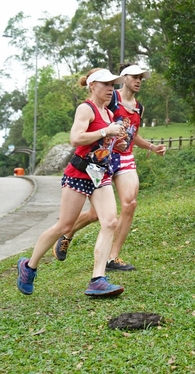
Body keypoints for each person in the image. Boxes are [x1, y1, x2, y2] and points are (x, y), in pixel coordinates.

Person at [17, 68, 126, 297]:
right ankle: (29, 266)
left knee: (110, 222)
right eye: (105, 84)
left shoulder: (108, 113)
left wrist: (118, 144)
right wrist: (106, 130)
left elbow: (101, 144)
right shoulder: (86, 109)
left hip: (100, 174)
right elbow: (76, 138)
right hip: (79, 174)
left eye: (112, 85)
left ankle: (98, 278)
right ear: (92, 85)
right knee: (64, 227)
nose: (110, 89)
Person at [52, 64, 167, 271]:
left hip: (124, 157)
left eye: (142, 77)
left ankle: (112, 257)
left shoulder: (139, 107)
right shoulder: (111, 97)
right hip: (103, 157)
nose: (139, 81)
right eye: (135, 77)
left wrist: (152, 147)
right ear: (124, 78)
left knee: (130, 203)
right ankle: (67, 232)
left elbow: (133, 134)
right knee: (96, 214)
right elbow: (94, 122)